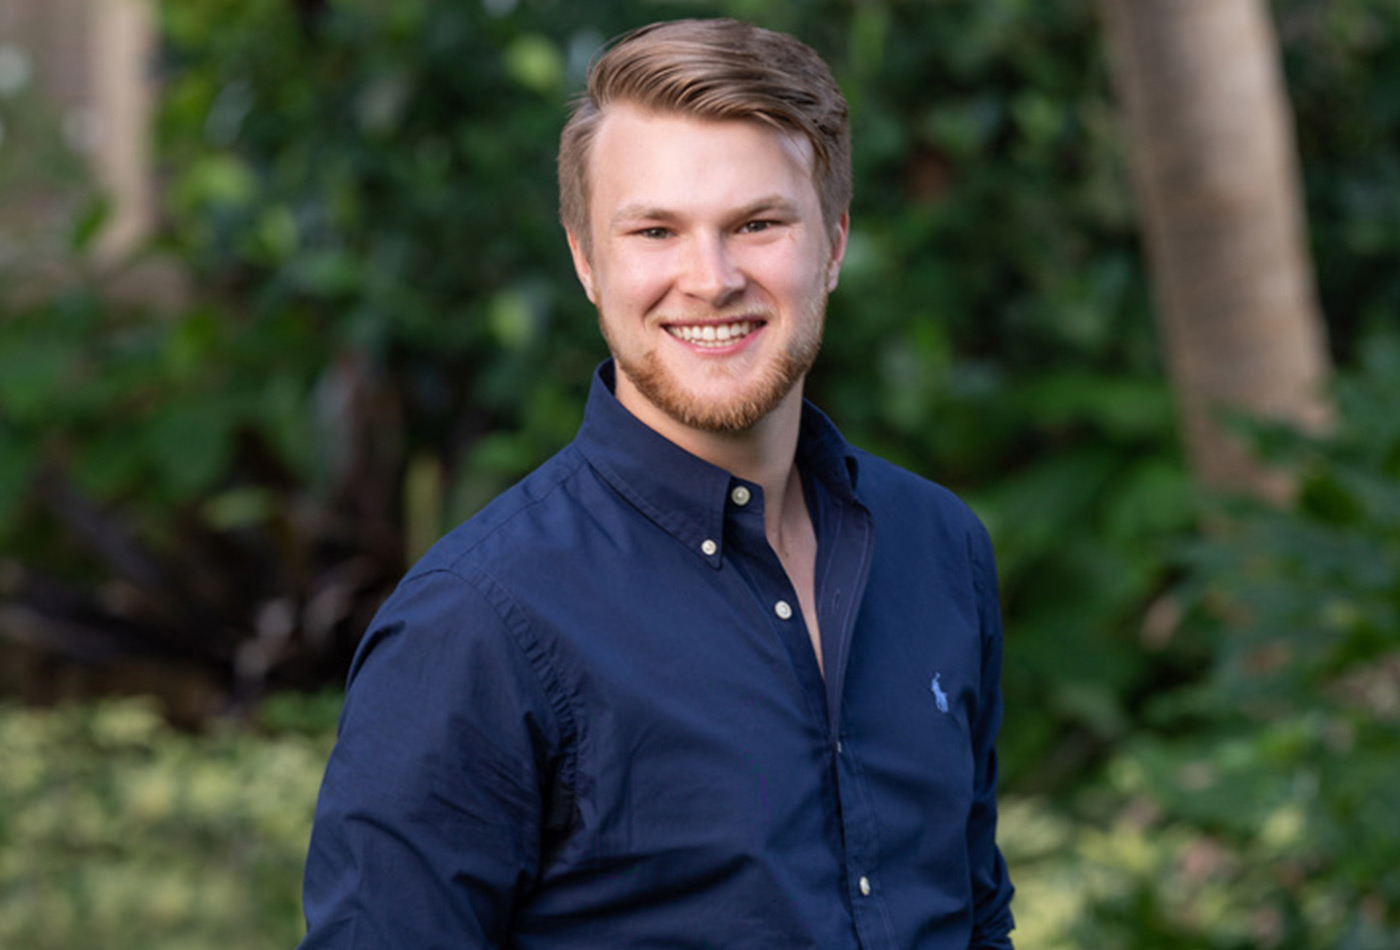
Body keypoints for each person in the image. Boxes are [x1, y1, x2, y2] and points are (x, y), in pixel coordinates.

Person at [300, 17, 1015, 949]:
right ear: (588, 262)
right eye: (655, 230)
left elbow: (975, 915)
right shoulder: (474, 625)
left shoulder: (937, 546)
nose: (710, 279)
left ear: (832, 245)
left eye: (758, 223)